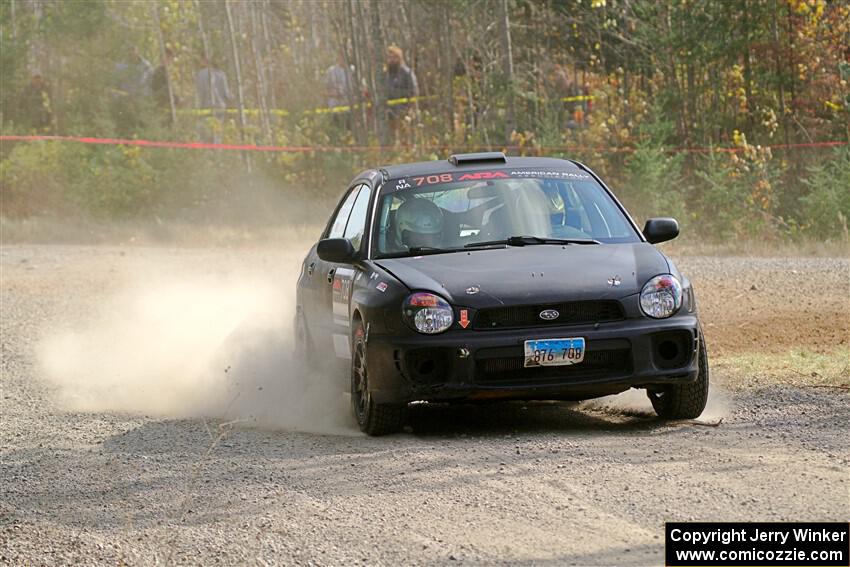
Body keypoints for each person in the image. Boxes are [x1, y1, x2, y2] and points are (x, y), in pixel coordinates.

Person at [383, 45, 418, 142]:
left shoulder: (407, 73)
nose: (391, 60)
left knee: (406, 138)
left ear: (399, 58)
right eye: (389, 57)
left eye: (394, 57)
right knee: (391, 138)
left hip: (404, 110)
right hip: (390, 112)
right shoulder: (386, 74)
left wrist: (410, 110)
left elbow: (414, 92)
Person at [195, 56, 233, 143]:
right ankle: (217, 152)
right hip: (219, 108)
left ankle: (207, 153)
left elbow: (199, 93)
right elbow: (226, 94)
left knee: (205, 134)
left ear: (204, 60)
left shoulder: (200, 75)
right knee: (217, 133)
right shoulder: (221, 74)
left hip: (205, 108)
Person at [151, 48, 178, 126]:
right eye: (169, 58)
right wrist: (177, 99)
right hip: (162, 107)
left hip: (167, 107)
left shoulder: (165, 71)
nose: (171, 60)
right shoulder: (159, 72)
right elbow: (163, 90)